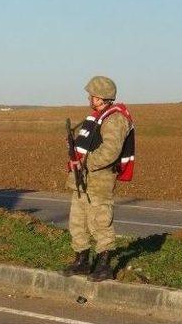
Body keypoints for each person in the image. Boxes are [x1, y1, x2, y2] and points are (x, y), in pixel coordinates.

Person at [63, 76, 135, 282]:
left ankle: (103, 265)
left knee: (100, 221)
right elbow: (90, 142)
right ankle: (82, 261)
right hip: (83, 177)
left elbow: (111, 151)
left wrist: (86, 162)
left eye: (91, 95)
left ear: (100, 97)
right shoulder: (97, 116)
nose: (89, 98)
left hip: (99, 178)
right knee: (78, 220)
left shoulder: (116, 119)